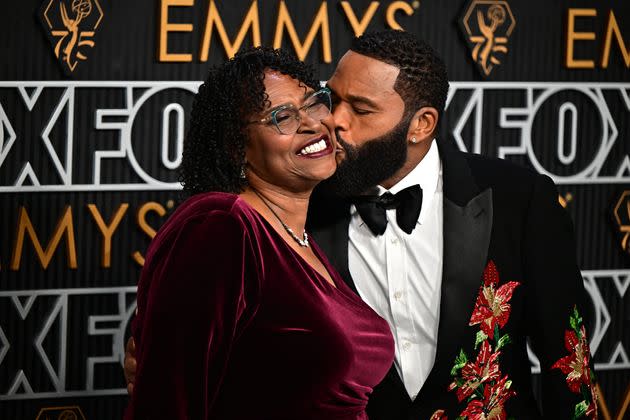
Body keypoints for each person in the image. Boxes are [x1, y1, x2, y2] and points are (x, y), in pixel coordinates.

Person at [126, 31, 597, 419]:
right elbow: (178, 351)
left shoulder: (518, 198)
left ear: (421, 124)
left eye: (362, 109)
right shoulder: (293, 201)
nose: (334, 122)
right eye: (332, 99)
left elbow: (568, 360)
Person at [123, 46, 395, 420]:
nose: (314, 123)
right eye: (282, 116)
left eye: (315, 102)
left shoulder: (299, 238)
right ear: (239, 148)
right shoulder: (220, 226)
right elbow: (169, 401)